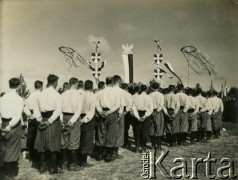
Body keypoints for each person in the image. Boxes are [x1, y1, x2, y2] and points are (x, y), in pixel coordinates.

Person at [34, 74, 62, 174]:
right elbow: (58, 110)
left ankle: (42, 166)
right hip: (52, 120)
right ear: (55, 83)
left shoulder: (40, 94)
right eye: (57, 83)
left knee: (42, 144)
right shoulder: (56, 94)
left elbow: (35, 110)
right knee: (53, 144)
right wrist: (49, 121)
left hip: (43, 119)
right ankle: (52, 167)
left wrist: (40, 120)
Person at [0, 78, 24, 177]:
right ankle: (11, 171)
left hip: (4, 123)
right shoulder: (19, 99)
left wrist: (2, 125)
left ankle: (4, 169)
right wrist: (9, 126)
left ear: (10, 85)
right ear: (18, 86)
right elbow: (18, 116)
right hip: (13, 125)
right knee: (13, 147)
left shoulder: (3, 97)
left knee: (4, 147)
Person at [96, 77, 120, 162]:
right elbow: (117, 105)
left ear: (106, 83)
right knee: (111, 133)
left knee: (101, 132)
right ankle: (108, 154)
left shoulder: (100, 92)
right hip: (111, 113)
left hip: (102, 113)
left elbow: (97, 104)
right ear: (113, 83)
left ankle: (100, 154)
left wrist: (101, 111)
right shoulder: (115, 92)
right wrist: (109, 112)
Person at [60, 77, 82, 171]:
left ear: (69, 84)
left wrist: (61, 120)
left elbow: (59, 109)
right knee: (74, 140)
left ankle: (64, 163)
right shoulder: (78, 95)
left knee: (64, 140)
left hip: (64, 116)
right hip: (74, 117)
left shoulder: (63, 94)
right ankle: (72, 164)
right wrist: (72, 121)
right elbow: (79, 110)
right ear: (76, 84)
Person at [24, 80, 43, 168]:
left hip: (31, 117)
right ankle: (37, 157)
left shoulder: (30, 96)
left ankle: (32, 156)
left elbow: (25, 108)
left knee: (31, 137)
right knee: (38, 137)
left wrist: (29, 114)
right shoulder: (41, 95)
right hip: (38, 117)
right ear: (41, 87)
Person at [79, 80, 96, 167]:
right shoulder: (93, 96)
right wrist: (85, 120)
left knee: (80, 138)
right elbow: (91, 111)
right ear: (92, 87)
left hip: (80, 116)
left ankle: (79, 158)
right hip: (88, 118)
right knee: (87, 139)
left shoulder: (80, 95)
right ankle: (83, 161)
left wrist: (80, 119)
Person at [132, 84, 153, 152]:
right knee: (145, 131)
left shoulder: (136, 97)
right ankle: (143, 146)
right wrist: (145, 116)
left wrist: (137, 116)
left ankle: (137, 147)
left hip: (138, 114)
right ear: (146, 89)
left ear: (140, 89)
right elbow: (151, 109)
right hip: (146, 114)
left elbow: (133, 108)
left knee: (137, 131)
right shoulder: (149, 98)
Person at [112, 75, 127, 159]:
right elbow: (122, 104)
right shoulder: (121, 91)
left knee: (110, 131)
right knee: (119, 132)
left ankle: (109, 151)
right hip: (118, 112)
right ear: (119, 82)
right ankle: (115, 152)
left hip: (109, 112)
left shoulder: (109, 90)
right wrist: (120, 114)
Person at [149, 82, 165, 150]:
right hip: (158, 112)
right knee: (159, 128)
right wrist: (157, 111)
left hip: (151, 111)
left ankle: (153, 145)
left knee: (152, 128)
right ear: (158, 87)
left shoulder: (149, 95)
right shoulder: (161, 95)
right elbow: (161, 105)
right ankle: (158, 146)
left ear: (152, 87)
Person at [121, 83, 133, 149]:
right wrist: (126, 111)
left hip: (120, 109)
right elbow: (130, 105)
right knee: (126, 128)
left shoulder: (119, 94)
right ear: (127, 88)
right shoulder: (129, 95)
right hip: (126, 111)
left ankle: (120, 141)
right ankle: (125, 142)